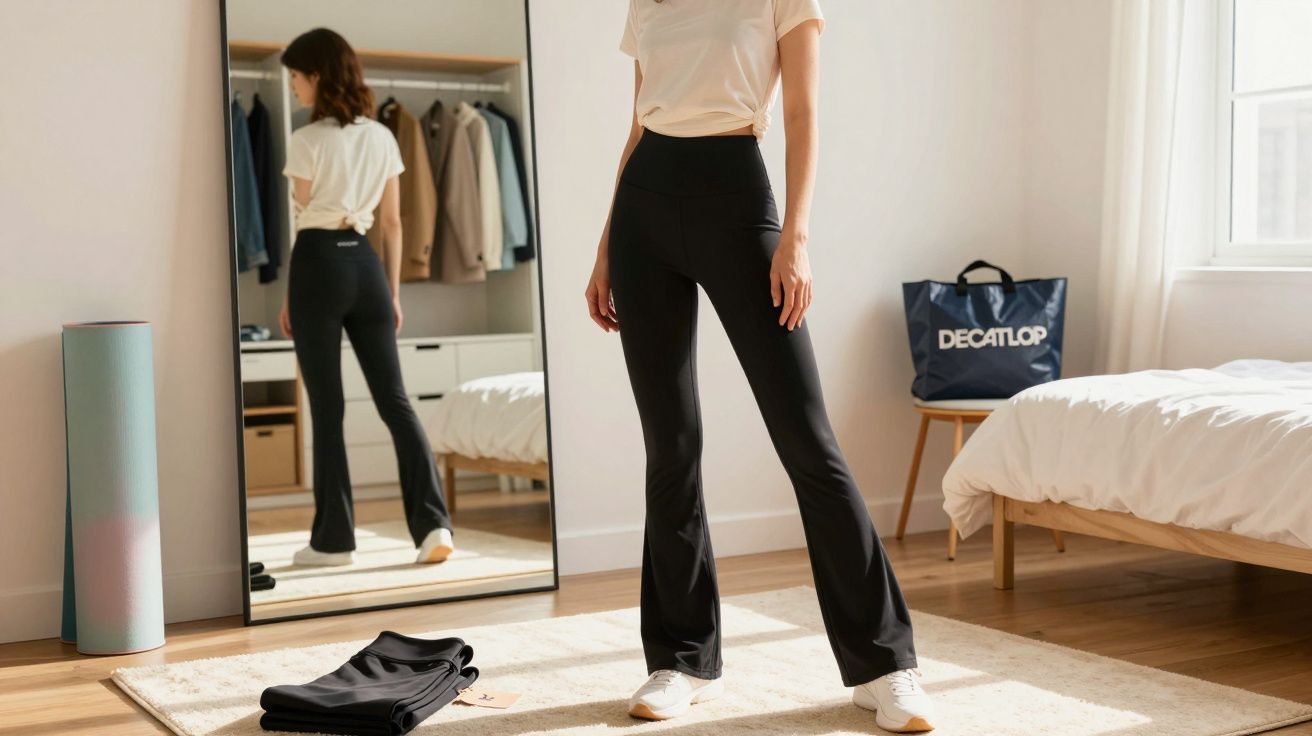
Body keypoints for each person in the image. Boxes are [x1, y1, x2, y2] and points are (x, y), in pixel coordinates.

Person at [585, 1, 936, 731]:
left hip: (737, 197)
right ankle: (681, 660)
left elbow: (804, 113)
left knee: (808, 442)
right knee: (670, 447)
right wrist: (605, 246)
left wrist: (796, 238)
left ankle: (885, 665)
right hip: (645, 206)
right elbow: (638, 123)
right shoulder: (646, 1)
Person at [276, 28, 455, 568]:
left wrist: (292, 294)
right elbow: (395, 225)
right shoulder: (382, 137)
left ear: (317, 75)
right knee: (395, 402)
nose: (291, 87)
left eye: (296, 76)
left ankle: (333, 542)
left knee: (327, 407)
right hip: (368, 267)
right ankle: (434, 527)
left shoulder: (307, 141)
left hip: (318, 265)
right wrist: (393, 294)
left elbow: (303, 214)